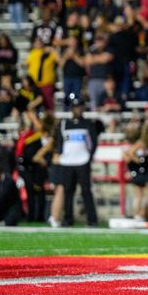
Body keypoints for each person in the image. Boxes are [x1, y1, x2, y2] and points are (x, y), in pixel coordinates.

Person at [53, 94, 98, 227]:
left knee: (86, 191)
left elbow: (93, 143)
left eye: (80, 106)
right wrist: (61, 154)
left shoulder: (88, 124)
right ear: (71, 108)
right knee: (68, 191)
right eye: (75, 107)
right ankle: (68, 219)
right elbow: (60, 142)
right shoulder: (64, 124)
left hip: (82, 161)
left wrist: (88, 157)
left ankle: (92, 220)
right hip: (67, 162)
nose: (78, 109)